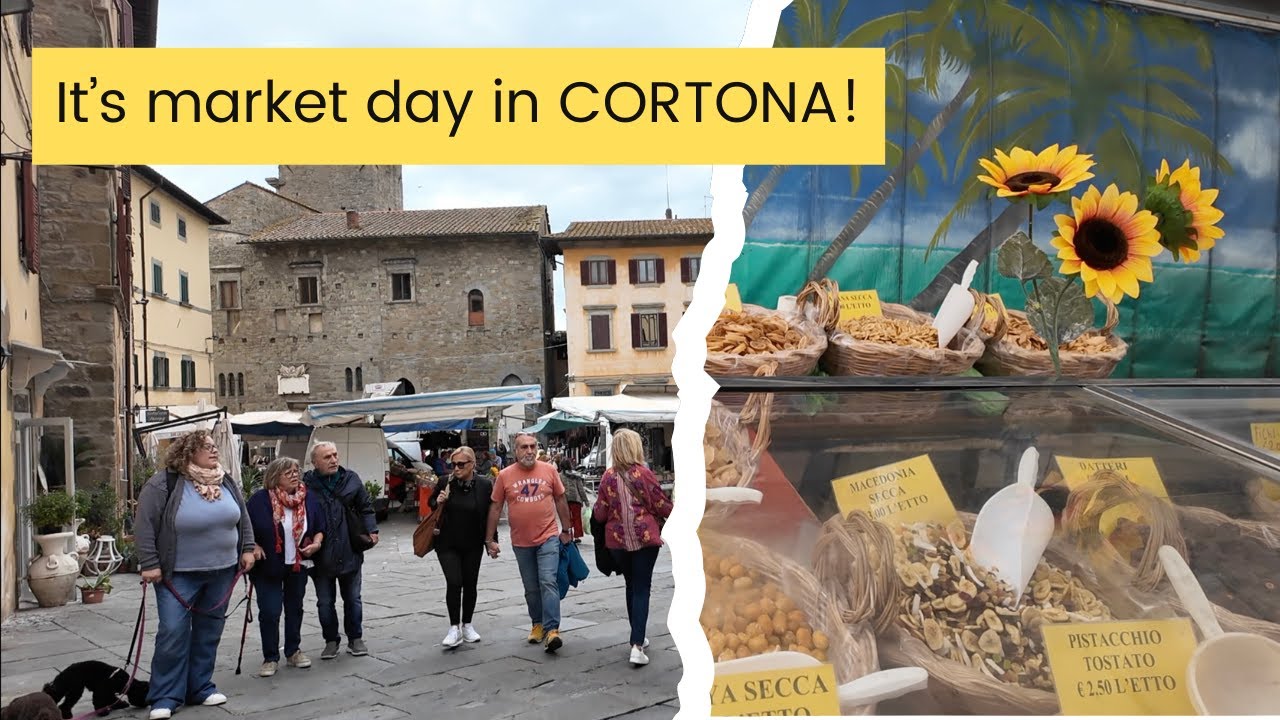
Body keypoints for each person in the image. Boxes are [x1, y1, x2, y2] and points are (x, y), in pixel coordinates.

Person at [134, 430, 256, 720]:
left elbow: (243, 516)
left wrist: (247, 548)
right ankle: (165, 695)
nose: (214, 451)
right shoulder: (164, 483)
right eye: (207, 447)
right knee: (172, 632)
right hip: (177, 575)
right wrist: (150, 562)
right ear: (188, 452)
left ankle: (199, 686)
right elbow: (144, 525)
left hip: (223, 570)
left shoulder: (225, 479)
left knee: (209, 631)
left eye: (215, 447)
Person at [486, 432, 574, 653]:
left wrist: (566, 530)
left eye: (533, 446)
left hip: (548, 536)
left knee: (547, 581)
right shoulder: (505, 476)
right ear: (515, 451)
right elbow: (495, 507)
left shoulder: (550, 470)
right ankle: (537, 624)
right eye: (524, 447)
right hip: (521, 541)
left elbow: (561, 499)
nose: (530, 451)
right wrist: (489, 540)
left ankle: (553, 629)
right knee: (531, 588)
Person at [591, 429, 673, 666]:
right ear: (635, 447)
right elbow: (661, 505)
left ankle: (637, 636)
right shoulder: (644, 474)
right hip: (644, 540)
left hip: (617, 542)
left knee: (631, 585)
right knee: (641, 588)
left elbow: (600, 512)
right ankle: (637, 646)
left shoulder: (607, 477)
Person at [246, 457, 326, 677]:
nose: (294, 475)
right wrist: (253, 545)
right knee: (270, 611)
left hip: (297, 564)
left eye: (296, 470)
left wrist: (316, 543)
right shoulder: (259, 500)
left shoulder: (307, 498)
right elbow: (244, 527)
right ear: (274, 477)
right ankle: (270, 657)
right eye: (288, 472)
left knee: (295, 608)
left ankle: (293, 651)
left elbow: (320, 525)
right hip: (267, 566)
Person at [303, 442, 378, 660]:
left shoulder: (351, 479)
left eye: (335, 455)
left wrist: (372, 529)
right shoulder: (306, 485)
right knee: (325, 601)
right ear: (315, 462)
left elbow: (366, 506)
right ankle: (330, 640)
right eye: (327, 457)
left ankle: (355, 638)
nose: (334, 460)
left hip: (349, 548)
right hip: (320, 553)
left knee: (353, 598)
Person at [428, 446, 497, 648]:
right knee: (454, 581)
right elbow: (432, 501)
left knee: (470, 583)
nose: (456, 468)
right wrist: (437, 500)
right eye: (453, 464)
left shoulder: (484, 485)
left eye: (460, 464)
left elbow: (489, 515)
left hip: (473, 542)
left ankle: (467, 624)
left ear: (472, 464)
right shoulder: (444, 481)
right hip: (447, 542)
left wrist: (492, 540)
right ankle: (453, 627)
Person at [560, 459, 589, 544]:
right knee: (577, 519)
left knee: (567, 519)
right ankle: (577, 537)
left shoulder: (559, 476)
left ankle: (570, 536)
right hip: (576, 500)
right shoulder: (576, 475)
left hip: (565, 500)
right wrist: (585, 500)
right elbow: (581, 489)